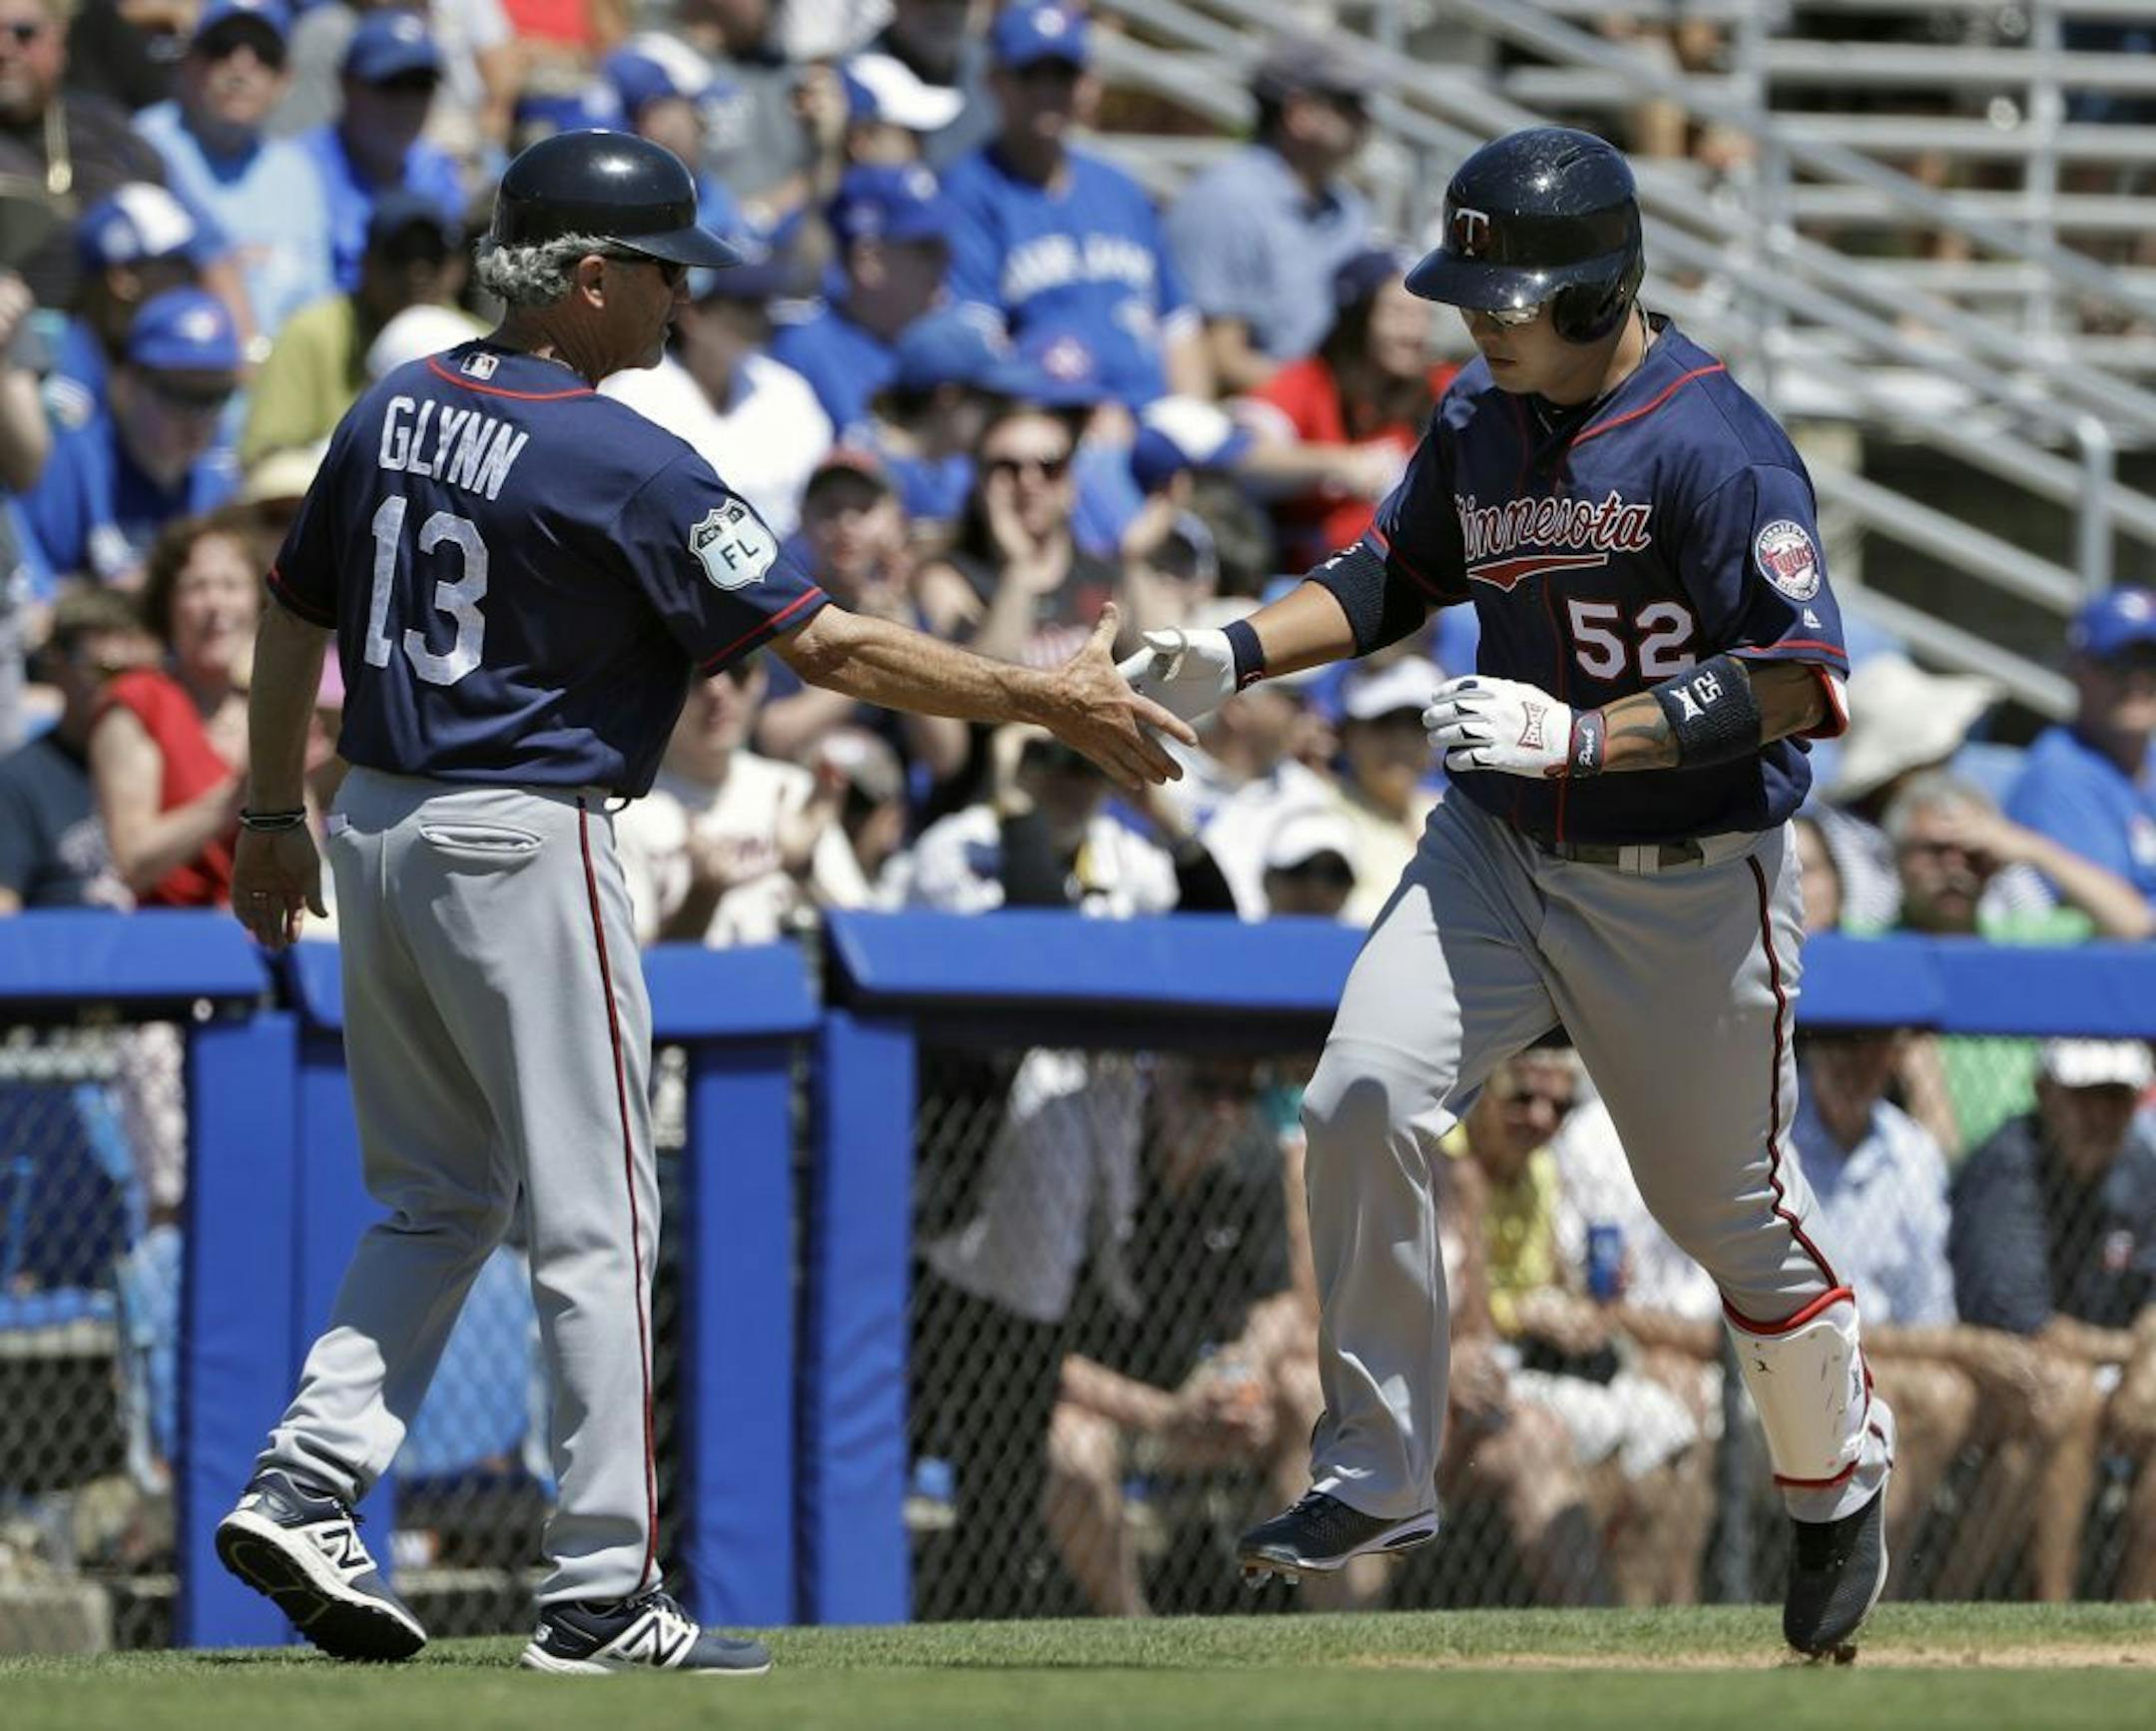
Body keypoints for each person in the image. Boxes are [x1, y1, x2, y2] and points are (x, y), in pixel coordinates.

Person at [217, 129, 1189, 1677]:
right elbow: (835, 653)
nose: (686, 302)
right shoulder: (625, 456)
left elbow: (290, 616)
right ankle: (601, 1587)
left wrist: (272, 812)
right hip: (524, 833)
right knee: (598, 1217)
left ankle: (307, 1476)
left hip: (378, 826)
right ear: (588, 276)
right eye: (667, 272)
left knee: (439, 1195)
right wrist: (1035, 693)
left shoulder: (396, 405)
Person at [1121, 127, 1894, 1658]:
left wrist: (1590, 733)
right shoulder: (1480, 415)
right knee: (1357, 1094)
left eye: (1511, 293)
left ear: (1604, 292)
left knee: (1725, 1217)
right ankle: (1376, 1471)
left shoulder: (1712, 438)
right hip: (1495, 849)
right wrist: (1234, 648)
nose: (1480, 318)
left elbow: (1805, 678)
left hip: (1683, 876)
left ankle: (1835, 1478)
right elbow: (1390, 578)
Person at [1949, 1038, 2156, 1600]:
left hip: (2109, 1364)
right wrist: (2134, 1352)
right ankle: (2051, 1606)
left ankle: (2137, 1626)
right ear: (2046, 1093)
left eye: (2116, 1097)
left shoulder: (2139, 1165)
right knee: (2073, 1398)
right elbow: (2022, 1322)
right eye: (2085, 1096)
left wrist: (2146, 1364)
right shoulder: (2009, 1164)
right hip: (1990, 1362)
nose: (2102, 1115)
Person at [941, 3, 1208, 412]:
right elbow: (979, 346)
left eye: (1063, 75)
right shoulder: (969, 192)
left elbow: (1178, 324)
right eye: (1031, 74)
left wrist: (1191, 422)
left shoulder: (1119, 188)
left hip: (1150, 418)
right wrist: (1078, 420)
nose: (1048, 92)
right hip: (1052, 427)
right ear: (995, 81)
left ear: (1088, 85)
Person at [1164, 37, 1374, 392]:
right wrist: (1327, 402)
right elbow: (1218, 358)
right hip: (1254, 424)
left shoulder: (1347, 207)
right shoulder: (1227, 200)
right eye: (1349, 104)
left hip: (1330, 418)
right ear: (1299, 113)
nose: (1366, 118)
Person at [1237, 248, 1456, 575]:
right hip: (1316, 578)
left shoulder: (1447, 386)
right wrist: (1341, 463)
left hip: (1426, 583)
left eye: (1424, 316)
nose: (1415, 333)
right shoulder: (1310, 381)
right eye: (1398, 314)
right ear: (1357, 317)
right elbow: (1244, 456)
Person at [134, 0, 335, 345]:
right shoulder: (146, 144)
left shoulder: (298, 172)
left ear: (285, 79)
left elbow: (315, 304)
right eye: (222, 48)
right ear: (189, 62)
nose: (241, 69)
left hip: (274, 381)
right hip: (172, 374)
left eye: (264, 53)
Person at [600, 247, 831, 541]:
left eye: (764, 301)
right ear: (693, 312)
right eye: (746, 304)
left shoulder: (786, 389)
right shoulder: (633, 395)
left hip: (785, 570)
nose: (762, 316)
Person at [23, 287, 243, 585]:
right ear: (126, 384)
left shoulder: (220, 483)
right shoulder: (73, 464)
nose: (199, 416)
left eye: (215, 396)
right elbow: (33, 601)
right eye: (180, 393)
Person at [241, 191, 477, 466]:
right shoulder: (312, 331)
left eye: (432, 255)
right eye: (400, 254)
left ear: (456, 268)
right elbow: (265, 459)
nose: (417, 272)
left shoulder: (477, 344)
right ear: (367, 263)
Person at [0, 0, 177, 307]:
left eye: (23, 33)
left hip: (87, 332)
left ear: (59, 40)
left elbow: (186, 239)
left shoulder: (111, 138)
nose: (4, 50)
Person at [767, 162, 954, 440]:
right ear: (870, 262)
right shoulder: (803, 354)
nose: (947, 262)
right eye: (928, 250)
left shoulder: (949, 341)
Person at [0, 584, 156, 911]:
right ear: (57, 666)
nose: (120, 688)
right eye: (100, 670)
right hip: (63, 955)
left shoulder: (172, 761)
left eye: (133, 673)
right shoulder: (17, 781)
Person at [2005, 588, 2156, 912]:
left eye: (2152, 662)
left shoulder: (2149, 760)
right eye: (2120, 662)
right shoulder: (2060, 772)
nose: (2139, 680)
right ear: (2076, 669)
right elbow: (2126, 922)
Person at [299, 9, 464, 291]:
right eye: (392, 85)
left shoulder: (437, 170)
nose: (407, 103)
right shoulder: (299, 167)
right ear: (346, 83)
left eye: (421, 86)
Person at [46, 184, 219, 437]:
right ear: (122, 279)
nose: (192, 284)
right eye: (176, 269)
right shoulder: (51, 365)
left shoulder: (174, 365)